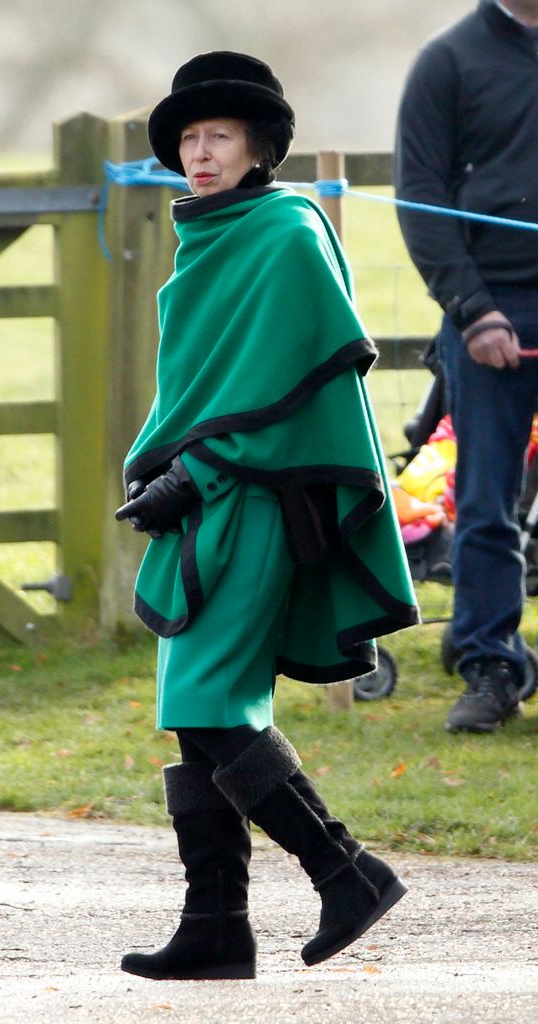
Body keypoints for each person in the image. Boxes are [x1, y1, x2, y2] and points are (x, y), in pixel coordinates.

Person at [115, 50, 418, 981]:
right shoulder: (206, 234)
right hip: (203, 498)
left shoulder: (288, 229)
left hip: (255, 499)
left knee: (210, 699)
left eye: (221, 138)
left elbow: (289, 383)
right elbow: (207, 382)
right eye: (189, 140)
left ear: (259, 148)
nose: (200, 154)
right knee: (195, 707)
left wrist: (199, 467)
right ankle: (216, 926)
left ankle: (345, 869)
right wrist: (174, 466)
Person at [394, 0, 538, 733]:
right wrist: (474, 311)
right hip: (493, 308)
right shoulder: (448, 62)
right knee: (486, 502)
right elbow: (420, 192)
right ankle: (490, 668)